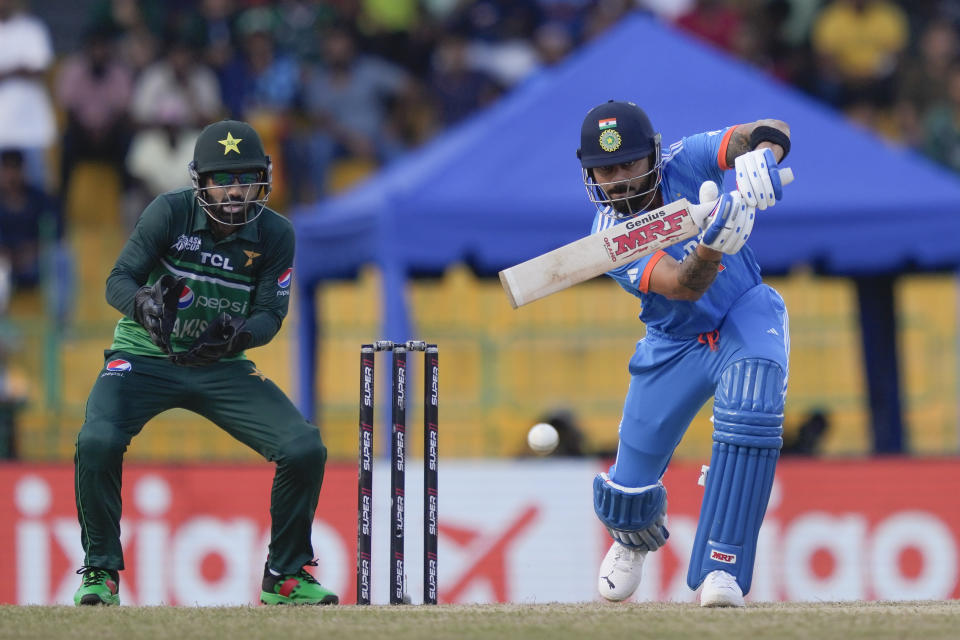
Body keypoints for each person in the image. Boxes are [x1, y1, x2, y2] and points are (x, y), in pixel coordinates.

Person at [72, 119, 337, 607]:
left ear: (263, 178)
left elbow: (270, 314)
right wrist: (143, 305)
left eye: (246, 178)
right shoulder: (168, 213)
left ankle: (284, 575)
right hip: (144, 355)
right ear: (202, 182)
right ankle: (100, 571)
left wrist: (238, 336)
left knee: (303, 447)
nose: (236, 190)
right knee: (97, 440)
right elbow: (119, 279)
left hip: (220, 364)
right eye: (224, 179)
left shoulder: (276, 233)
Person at [580, 101, 790, 607]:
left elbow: (769, 128)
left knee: (752, 403)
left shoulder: (686, 161)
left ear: (652, 155)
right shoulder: (608, 236)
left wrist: (762, 157)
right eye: (606, 170)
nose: (620, 180)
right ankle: (631, 540)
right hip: (673, 343)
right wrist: (712, 245)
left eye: (629, 163)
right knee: (626, 490)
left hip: (743, 315)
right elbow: (681, 286)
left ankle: (723, 567)